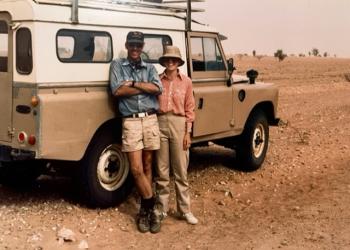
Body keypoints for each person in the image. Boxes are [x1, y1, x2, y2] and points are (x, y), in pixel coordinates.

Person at [109, 31, 163, 233]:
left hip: (150, 119)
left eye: (138, 46)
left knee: (149, 166)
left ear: (142, 47)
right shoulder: (117, 65)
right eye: (132, 45)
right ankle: (152, 206)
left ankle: (144, 212)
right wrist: (144, 87)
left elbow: (158, 88)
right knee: (136, 169)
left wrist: (132, 84)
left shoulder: (150, 67)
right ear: (126, 45)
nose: (135, 49)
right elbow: (116, 90)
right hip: (131, 122)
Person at [155, 46, 198, 225]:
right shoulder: (157, 80)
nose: (170, 62)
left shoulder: (186, 81)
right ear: (164, 61)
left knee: (181, 170)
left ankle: (184, 210)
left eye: (174, 59)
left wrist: (187, 133)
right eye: (167, 59)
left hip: (179, 125)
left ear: (178, 62)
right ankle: (161, 209)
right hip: (160, 123)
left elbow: (190, 109)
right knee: (162, 170)